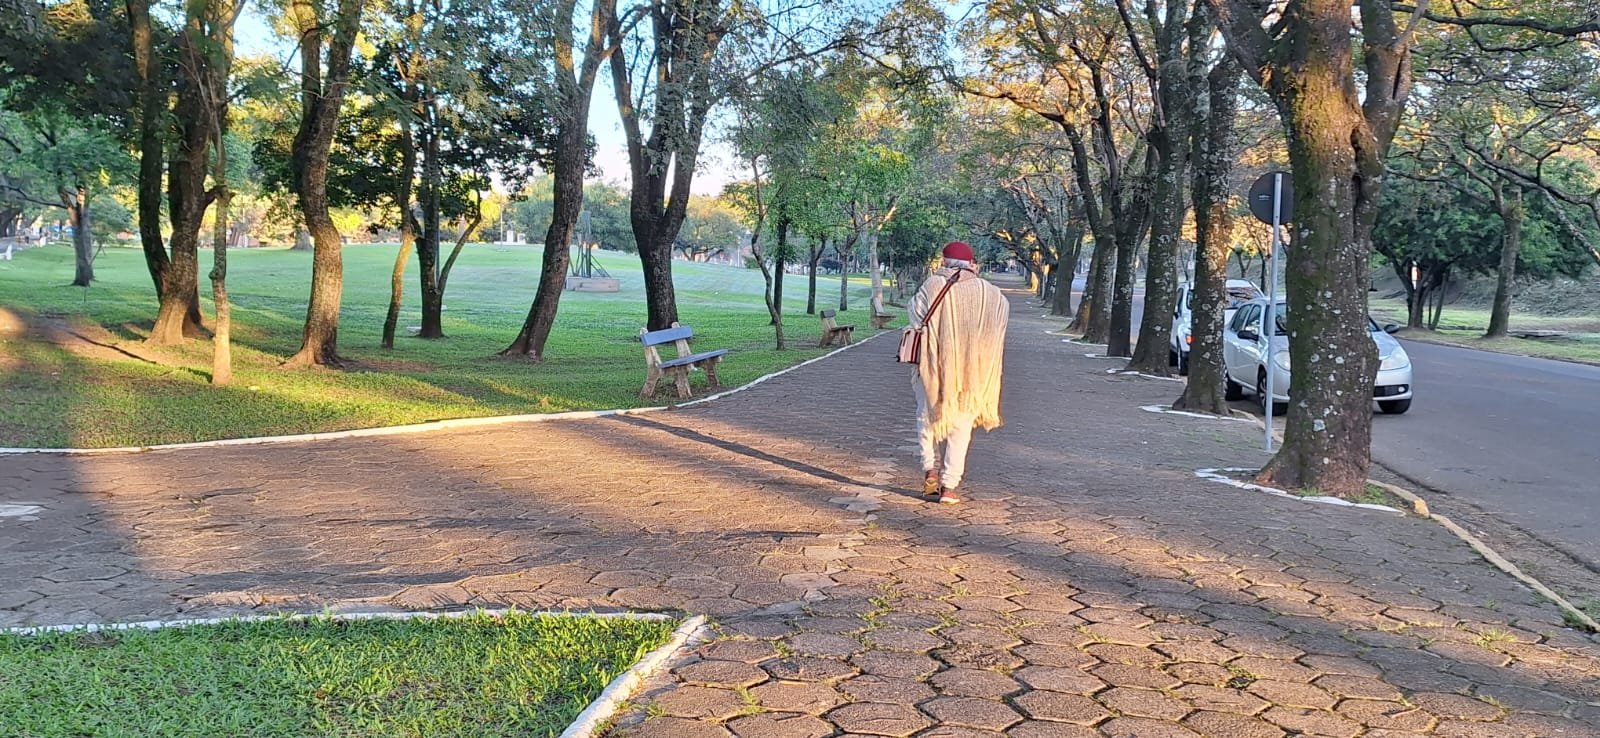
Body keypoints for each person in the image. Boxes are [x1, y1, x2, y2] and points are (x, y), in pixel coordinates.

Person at [910, 241, 1010, 504]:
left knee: (927, 418)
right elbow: (1001, 321)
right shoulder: (991, 293)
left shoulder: (932, 285)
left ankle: (930, 471)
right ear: (971, 264)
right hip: (973, 371)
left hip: (934, 366)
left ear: (944, 262)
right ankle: (950, 487)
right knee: (961, 426)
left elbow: (915, 316)